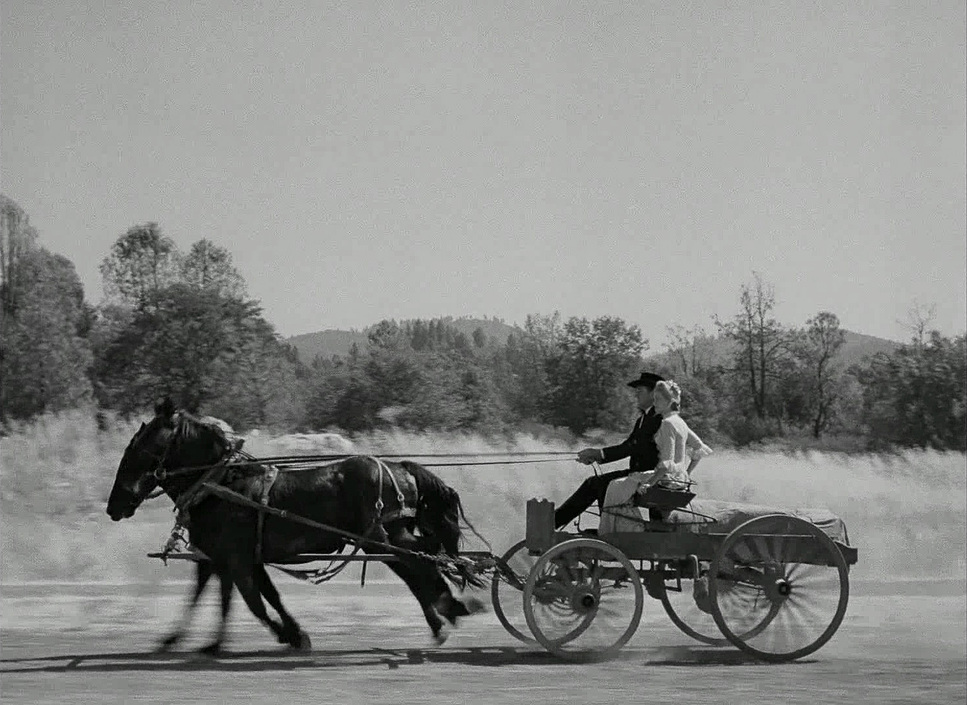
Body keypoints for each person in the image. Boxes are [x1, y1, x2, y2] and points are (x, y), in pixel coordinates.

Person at [553, 371, 667, 530]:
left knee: (597, 484)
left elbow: (632, 447)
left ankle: (556, 522)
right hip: (637, 473)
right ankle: (604, 527)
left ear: (654, 394)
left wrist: (598, 454)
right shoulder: (643, 419)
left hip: (650, 475)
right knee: (597, 483)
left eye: (640, 391)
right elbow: (630, 444)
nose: (636, 395)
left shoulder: (658, 419)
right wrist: (596, 456)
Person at [598, 380, 712, 533]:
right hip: (678, 480)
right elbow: (699, 450)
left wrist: (650, 483)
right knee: (621, 485)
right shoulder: (680, 422)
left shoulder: (667, 424)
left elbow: (667, 462)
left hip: (666, 480)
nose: (655, 403)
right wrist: (686, 474)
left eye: (658, 400)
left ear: (670, 402)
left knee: (615, 486)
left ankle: (619, 531)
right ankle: (623, 528)